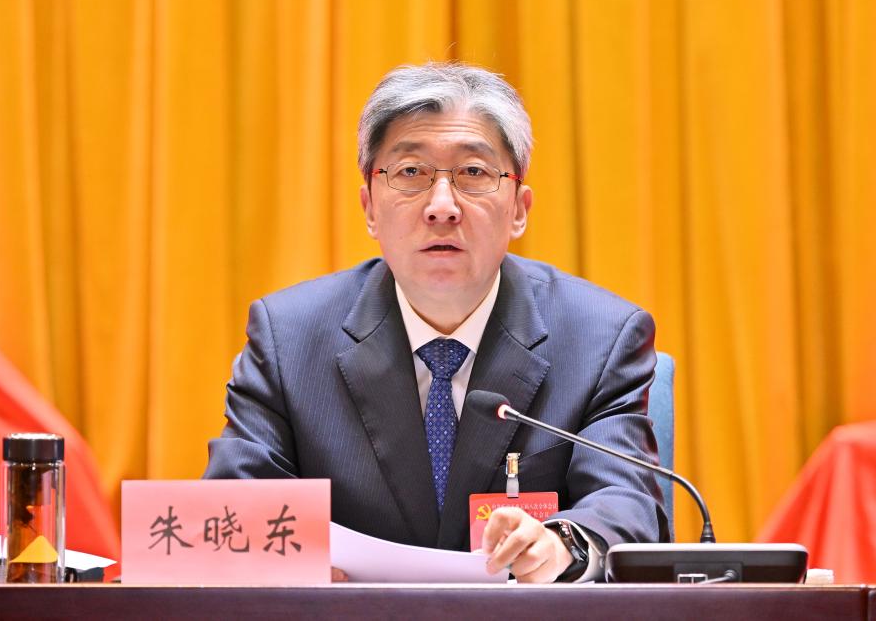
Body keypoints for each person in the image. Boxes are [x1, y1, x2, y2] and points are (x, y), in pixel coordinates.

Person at [204, 62, 668, 582]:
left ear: (519, 208)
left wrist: (563, 546)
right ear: (369, 207)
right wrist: (289, 566)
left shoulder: (601, 338)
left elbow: (626, 500)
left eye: (474, 173)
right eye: (410, 173)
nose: (442, 207)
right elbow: (234, 507)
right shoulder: (289, 337)